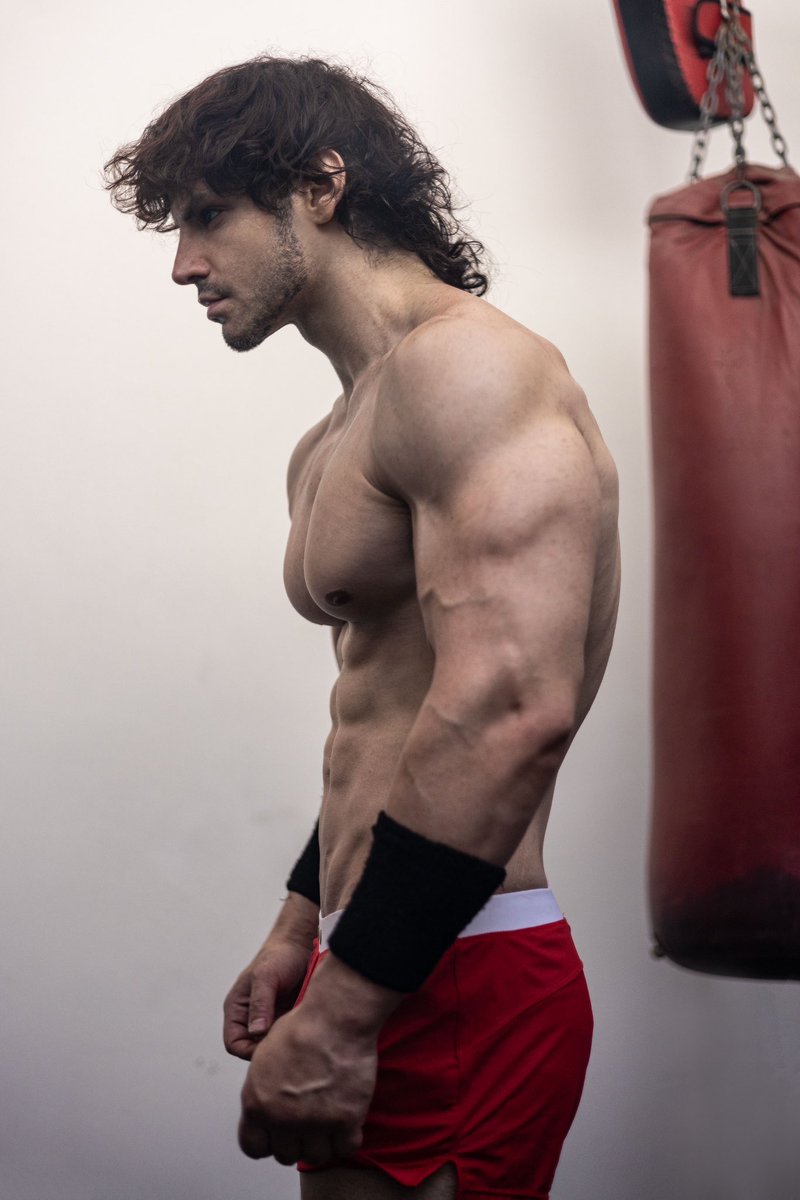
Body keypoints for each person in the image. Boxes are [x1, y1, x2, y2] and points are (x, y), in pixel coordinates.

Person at [105, 54, 620, 1200]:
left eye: (208, 216)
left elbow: (505, 713)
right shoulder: (335, 434)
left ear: (321, 186)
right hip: (376, 948)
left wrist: (342, 1010)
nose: (183, 263)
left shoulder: (470, 372)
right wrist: (301, 926)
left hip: (453, 963)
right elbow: (393, 714)